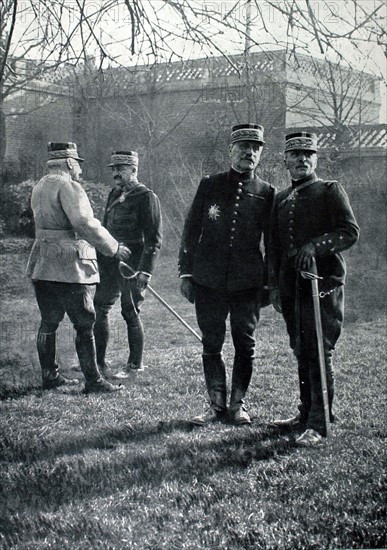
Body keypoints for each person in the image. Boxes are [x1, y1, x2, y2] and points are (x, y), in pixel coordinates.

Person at [179, 123, 275, 426]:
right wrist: (186, 272)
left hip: (248, 282)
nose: (249, 152)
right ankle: (215, 404)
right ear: (230, 150)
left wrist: (269, 282)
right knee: (211, 342)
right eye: (243, 146)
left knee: (245, 343)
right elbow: (192, 228)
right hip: (208, 279)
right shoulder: (210, 184)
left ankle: (238, 404)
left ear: (260, 154)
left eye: (255, 148)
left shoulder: (267, 192)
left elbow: (271, 242)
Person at [269, 132, 360, 446]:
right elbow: (275, 248)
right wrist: (274, 288)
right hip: (292, 286)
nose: (302, 159)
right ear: (286, 160)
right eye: (295, 154)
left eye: (308, 154)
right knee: (301, 349)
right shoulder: (280, 199)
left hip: (323, 282)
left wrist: (316, 246)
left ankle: (320, 424)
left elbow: (350, 232)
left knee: (320, 350)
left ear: (316, 159)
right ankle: (306, 411)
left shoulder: (330, 190)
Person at [26, 142, 132, 393]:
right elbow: (84, 223)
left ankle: (49, 376)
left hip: (43, 263)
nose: (80, 171)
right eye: (78, 165)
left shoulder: (39, 186)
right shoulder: (69, 186)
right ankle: (94, 381)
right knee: (85, 323)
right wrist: (114, 247)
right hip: (70, 266)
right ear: (70, 163)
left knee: (48, 322)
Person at [93, 150, 162, 378]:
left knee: (130, 311)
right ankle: (99, 361)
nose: (115, 173)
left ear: (133, 170)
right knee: (100, 307)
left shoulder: (146, 196)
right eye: (113, 169)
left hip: (133, 264)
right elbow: (104, 228)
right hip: (110, 261)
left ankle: (134, 365)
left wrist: (146, 271)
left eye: (120, 168)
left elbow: (154, 239)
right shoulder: (114, 194)